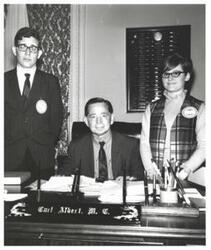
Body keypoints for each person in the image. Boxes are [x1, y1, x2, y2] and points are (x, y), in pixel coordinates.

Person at [4, 27, 63, 181]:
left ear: (40, 53)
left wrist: (47, 145)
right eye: (23, 47)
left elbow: (56, 119)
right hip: (9, 157)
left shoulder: (50, 82)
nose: (28, 52)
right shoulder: (3, 81)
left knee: (41, 202)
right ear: (15, 50)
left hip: (42, 158)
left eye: (33, 48)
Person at [140, 53, 205, 180]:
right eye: (166, 74)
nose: (170, 78)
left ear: (187, 76)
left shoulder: (200, 107)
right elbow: (144, 143)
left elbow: (205, 145)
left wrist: (186, 170)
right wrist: (150, 170)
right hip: (155, 175)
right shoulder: (151, 108)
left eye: (176, 73)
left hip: (186, 176)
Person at [61, 97, 144, 181]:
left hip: (117, 192)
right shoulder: (76, 147)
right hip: (89, 192)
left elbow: (140, 175)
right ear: (86, 121)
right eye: (93, 117)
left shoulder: (130, 145)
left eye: (104, 116)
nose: (98, 121)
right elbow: (63, 177)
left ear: (111, 119)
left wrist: (129, 180)